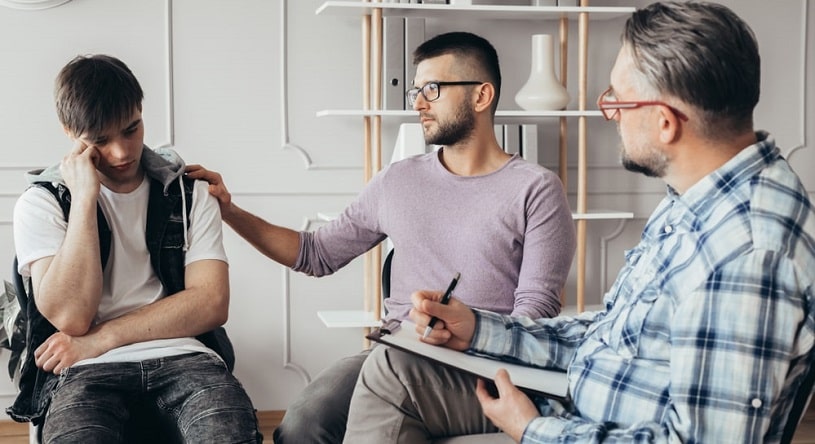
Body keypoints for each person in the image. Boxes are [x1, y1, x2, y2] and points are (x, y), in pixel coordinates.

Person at [343, 2, 815, 443]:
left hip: (576, 420)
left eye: (617, 102)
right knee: (386, 371)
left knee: (388, 378)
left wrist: (535, 428)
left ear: (665, 123)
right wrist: (479, 328)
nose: (609, 115)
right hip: (574, 391)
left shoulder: (746, 255)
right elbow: (612, 333)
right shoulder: (695, 201)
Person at [186, 31, 576, 443]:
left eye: (433, 89)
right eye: (416, 90)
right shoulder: (399, 180)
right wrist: (229, 211)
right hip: (399, 353)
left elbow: (535, 316)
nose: (419, 103)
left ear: (481, 96)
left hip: (485, 368)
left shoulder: (536, 189)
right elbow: (315, 254)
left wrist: (471, 328)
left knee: (389, 402)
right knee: (302, 424)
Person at [10, 54, 262, 443]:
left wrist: (102, 337)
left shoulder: (188, 192)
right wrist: (84, 200)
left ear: (141, 110)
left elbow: (211, 302)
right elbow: (73, 319)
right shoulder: (41, 203)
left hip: (186, 358)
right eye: (100, 140)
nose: (122, 152)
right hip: (85, 370)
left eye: (131, 129)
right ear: (69, 131)